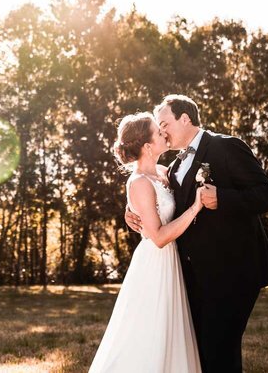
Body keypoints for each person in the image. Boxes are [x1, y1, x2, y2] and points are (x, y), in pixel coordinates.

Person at [126, 94, 268, 373]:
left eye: (165, 123)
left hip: (234, 270)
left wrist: (223, 197)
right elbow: (157, 201)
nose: (161, 131)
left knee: (221, 351)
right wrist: (131, 210)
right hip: (195, 277)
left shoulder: (227, 147)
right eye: (158, 127)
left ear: (185, 119)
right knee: (201, 353)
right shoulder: (172, 168)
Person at [89, 112, 204, 373]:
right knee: (149, 331)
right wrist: (196, 207)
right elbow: (160, 237)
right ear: (148, 146)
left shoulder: (165, 172)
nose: (164, 132)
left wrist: (131, 212)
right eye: (158, 130)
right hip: (155, 262)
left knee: (171, 329)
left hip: (173, 260)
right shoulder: (138, 182)